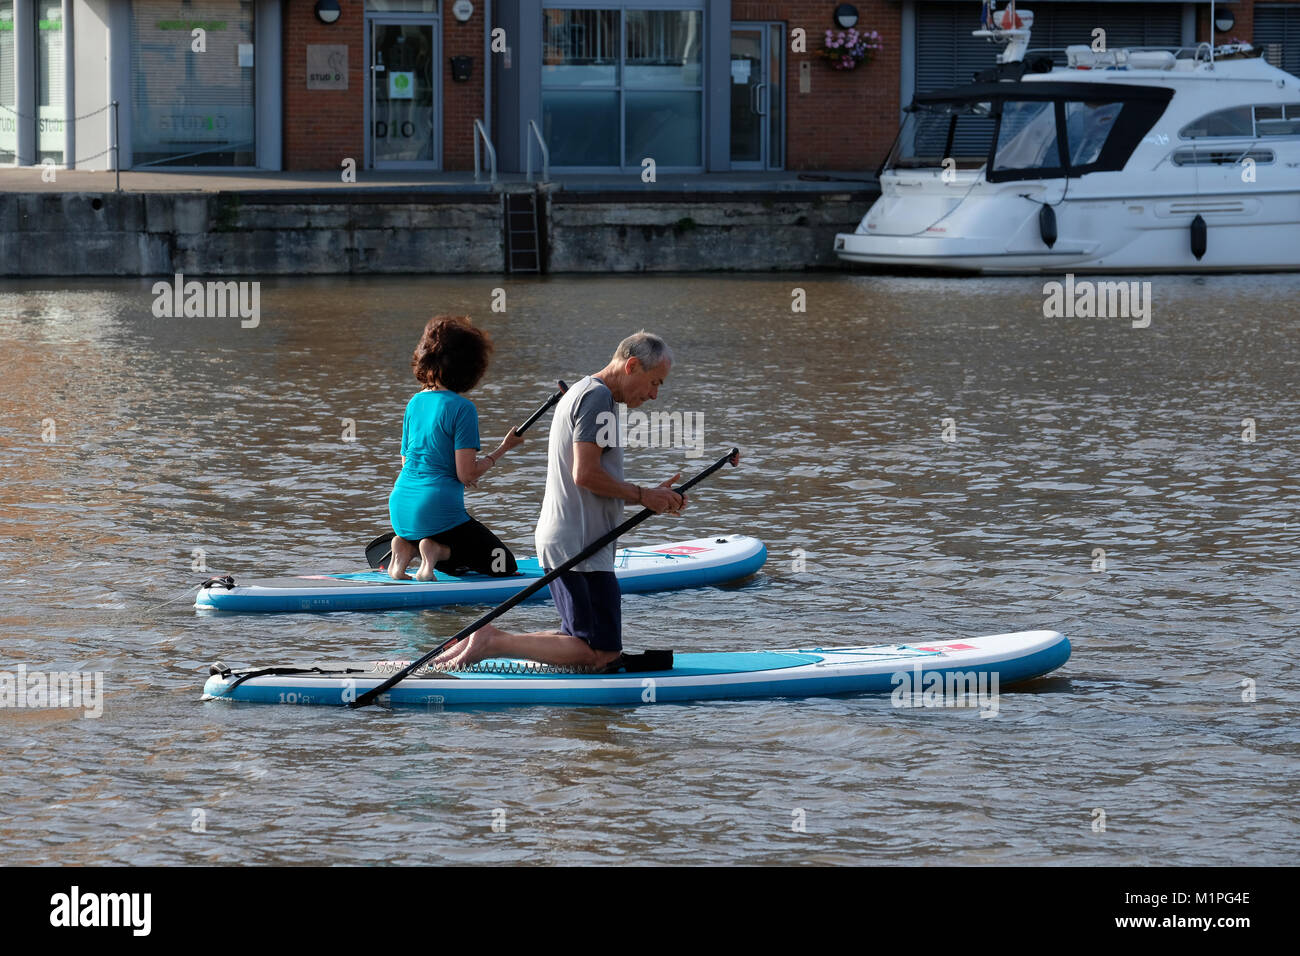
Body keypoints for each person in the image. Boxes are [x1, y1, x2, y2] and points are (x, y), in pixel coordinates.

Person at [432, 331, 685, 670]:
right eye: (655, 382)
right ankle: (493, 641)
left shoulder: (586, 392)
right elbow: (585, 474)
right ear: (632, 365)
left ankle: (490, 640)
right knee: (600, 654)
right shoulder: (597, 399)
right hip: (579, 545)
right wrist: (642, 494)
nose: (654, 395)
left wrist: (650, 497)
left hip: (573, 540)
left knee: (583, 639)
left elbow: (591, 483)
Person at [387, 315, 523, 581]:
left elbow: (408, 461)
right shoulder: (463, 408)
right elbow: (466, 475)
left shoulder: (414, 402)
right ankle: (434, 551)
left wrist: (456, 470)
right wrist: (503, 449)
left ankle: (405, 549)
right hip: (436, 509)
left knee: (444, 534)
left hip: (401, 505)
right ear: (471, 366)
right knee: (503, 564)